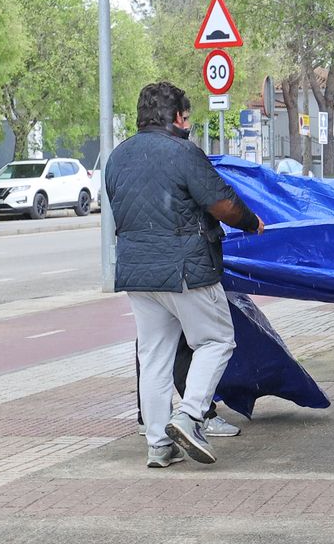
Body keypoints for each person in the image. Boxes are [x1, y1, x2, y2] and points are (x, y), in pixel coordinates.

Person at [104, 82, 265, 468]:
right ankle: (191, 416)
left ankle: (159, 445)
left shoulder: (117, 157)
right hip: (184, 269)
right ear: (177, 118)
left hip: (137, 273)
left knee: (155, 356)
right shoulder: (183, 153)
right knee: (216, 340)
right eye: (187, 117)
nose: (189, 123)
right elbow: (221, 202)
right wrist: (250, 222)